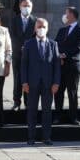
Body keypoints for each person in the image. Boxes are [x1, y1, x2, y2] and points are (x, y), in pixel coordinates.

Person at [21, 18, 61, 146]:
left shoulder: (53, 44)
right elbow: (24, 65)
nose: (41, 29)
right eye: (39, 26)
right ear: (34, 28)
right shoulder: (28, 44)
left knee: (47, 111)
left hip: (48, 84)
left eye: (43, 26)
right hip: (32, 83)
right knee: (32, 111)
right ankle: (31, 137)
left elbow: (56, 65)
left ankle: (46, 137)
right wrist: (24, 82)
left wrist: (56, 82)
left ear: (47, 28)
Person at [53, 7, 80, 125]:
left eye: (66, 14)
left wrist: (65, 55)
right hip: (61, 65)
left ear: (72, 15)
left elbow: (79, 47)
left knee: (72, 92)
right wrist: (59, 55)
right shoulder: (62, 30)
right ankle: (58, 116)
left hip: (73, 66)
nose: (64, 16)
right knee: (58, 92)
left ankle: (73, 117)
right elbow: (55, 44)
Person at [10, 0, 36, 111]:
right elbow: (13, 35)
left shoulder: (35, 21)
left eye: (28, 6)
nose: (26, 8)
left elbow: (37, 37)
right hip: (17, 54)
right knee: (17, 79)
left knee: (29, 79)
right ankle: (16, 102)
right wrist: (21, 46)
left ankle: (28, 102)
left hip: (30, 56)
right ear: (20, 7)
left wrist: (28, 47)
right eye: (24, 6)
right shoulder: (14, 20)